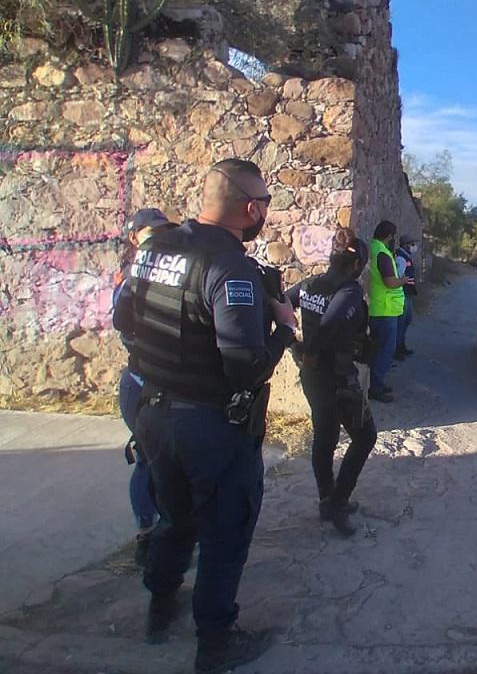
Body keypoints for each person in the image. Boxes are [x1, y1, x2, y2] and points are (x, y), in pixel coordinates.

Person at [120, 158, 297, 674]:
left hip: (152, 411)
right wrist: (283, 327)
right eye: (264, 202)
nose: (265, 211)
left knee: (176, 518)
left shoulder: (154, 250)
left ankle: (160, 604)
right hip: (210, 427)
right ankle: (216, 643)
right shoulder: (230, 268)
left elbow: (124, 319)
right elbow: (244, 367)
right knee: (225, 531)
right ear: (249, 207)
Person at [286, 227, 377, 538]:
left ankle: (328, 499)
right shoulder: (349, 291)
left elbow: (282, 305)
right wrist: (308, 352)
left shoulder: (310, 284)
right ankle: (337, 501)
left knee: (325, 438)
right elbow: (332, 322)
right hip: (337, 379)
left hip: (314, 378)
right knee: (365, 438)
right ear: (355, 265)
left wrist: (294, 347)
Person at [112, 208, 175, 567]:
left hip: (165, 386)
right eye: (153, 233)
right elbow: (128, 332)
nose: (161, 238)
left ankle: (165, 529)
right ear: (136, 238)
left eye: (164, 231)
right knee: (149, 463)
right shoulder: (132, 279)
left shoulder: (166, 274)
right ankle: (146, 535)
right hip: (142, 386)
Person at [367, 220, 405, 403]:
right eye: (392, 236)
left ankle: (376, 383)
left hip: (377, 307)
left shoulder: (372, 248)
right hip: (386, 309)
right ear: (389, 236)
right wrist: (403, 280)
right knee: (385, 351)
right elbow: (390, 282)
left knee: (376, 350)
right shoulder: (382, 252)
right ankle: (376, 387)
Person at [394, 234, 418, 360]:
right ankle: (397, 350)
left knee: (406, 321)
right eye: (412, 244)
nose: (414, 246)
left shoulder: (406, 257)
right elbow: (398, 275)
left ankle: (401, 346)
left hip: (407, 293)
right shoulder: (401, 258)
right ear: (405, 245)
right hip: (402, 294)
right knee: (401, 323)